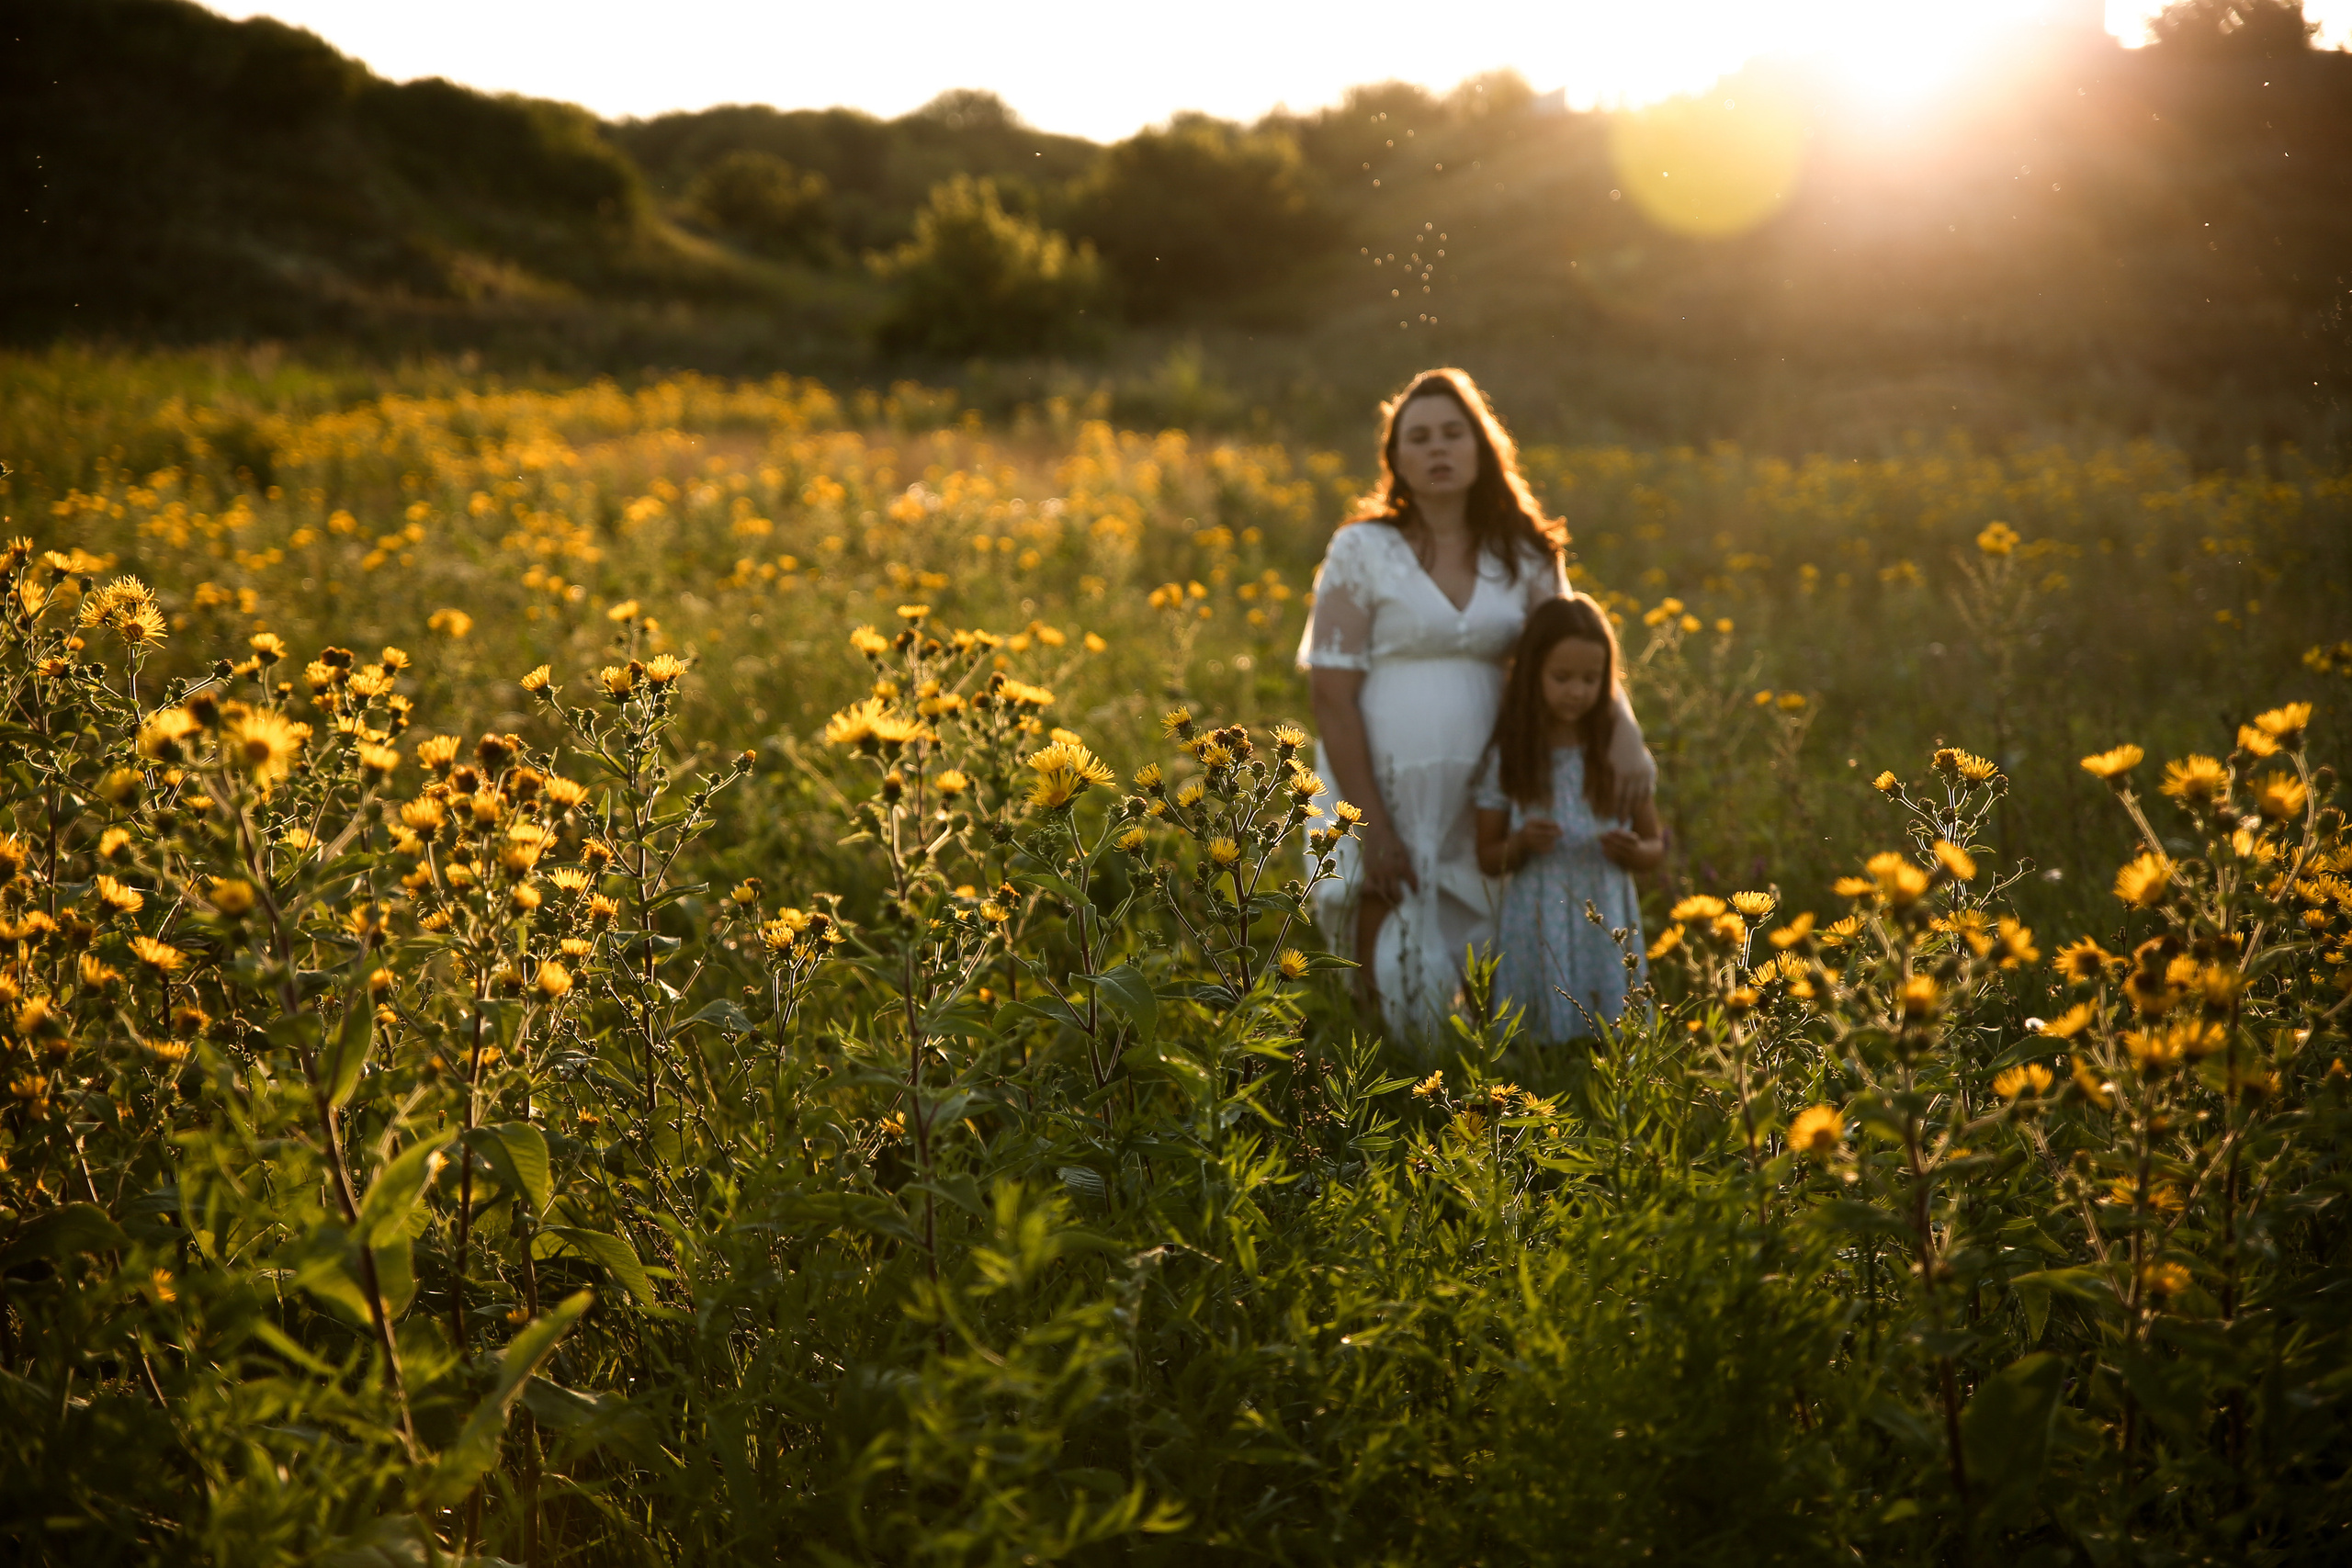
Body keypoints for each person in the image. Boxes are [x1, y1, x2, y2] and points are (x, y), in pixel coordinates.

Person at [1299, 368, 1656, 1039]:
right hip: (1382, 776)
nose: (1438, 448)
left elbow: (1579, 651)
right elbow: (1330, 693)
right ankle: (1382, 1061)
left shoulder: (1522, 551)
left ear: (1482, 447)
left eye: (1453, 434)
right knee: (1383, 897)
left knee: (1486, 912)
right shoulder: (1361, 549)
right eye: (1420, 437)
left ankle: (1471, 1066)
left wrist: (1625, 732)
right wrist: (1368, 821)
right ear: (1396, 459)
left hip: (1495, 779)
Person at [1473, 594, 1667, 1041]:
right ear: (1532, 673)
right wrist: (1520, 844)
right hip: (1537, 917)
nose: (1576, 691)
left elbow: (1655, 846)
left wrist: (1635, 851)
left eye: (1590, 679)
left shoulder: (1617, 756)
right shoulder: (1513, 755)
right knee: (1538, 1040)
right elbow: (1487, 854)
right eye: (1561, 678)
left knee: (1611, 1036)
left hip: (1606, 910)